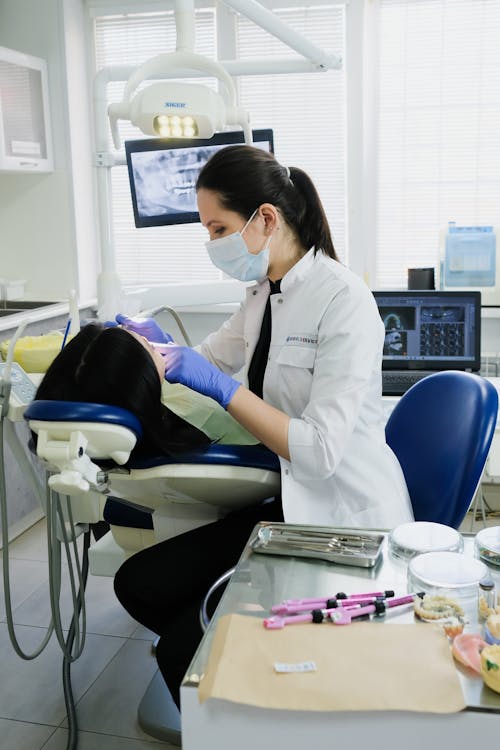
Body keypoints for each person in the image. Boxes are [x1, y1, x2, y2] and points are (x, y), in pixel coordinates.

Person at [113, 145, 414, 711]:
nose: (212, 244)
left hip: (344, 519)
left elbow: (320, 452)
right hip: (288, 501)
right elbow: (197, 359)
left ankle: (257, 707)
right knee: (139, 585)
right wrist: (146, 346)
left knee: (184, 648)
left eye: (219, 227)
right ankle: (243, 681)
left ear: (266, 219)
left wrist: (227, 390)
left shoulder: (343, 300)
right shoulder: (261, 294)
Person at [35, 323, 258, 459]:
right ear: (138, 377)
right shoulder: (172, 417)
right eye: (146, 346)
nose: (143, 337)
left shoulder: (140, 400)